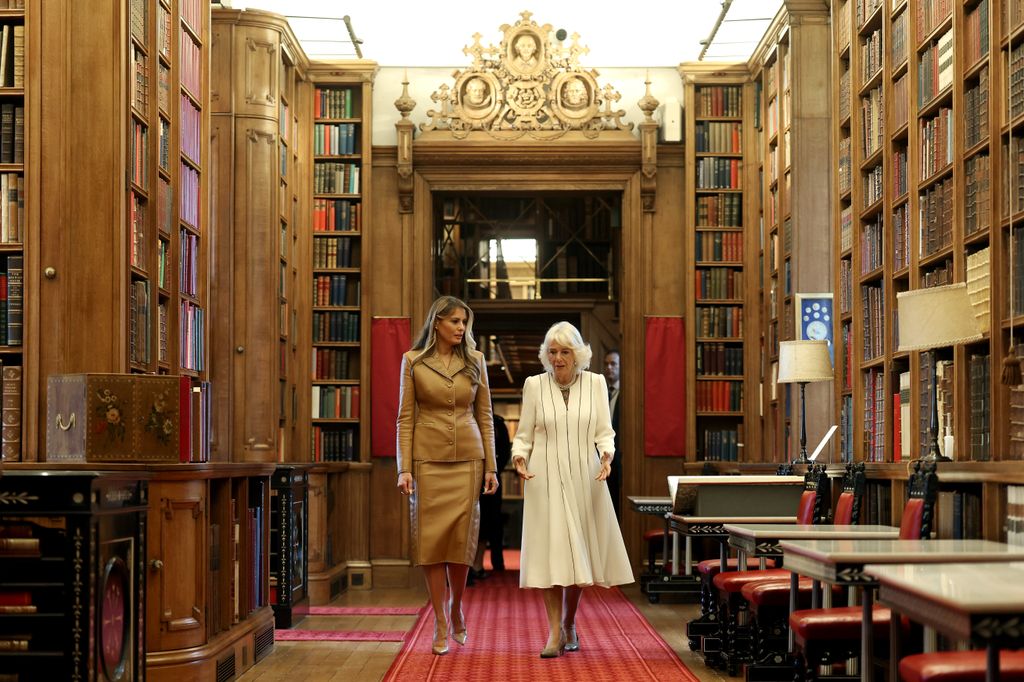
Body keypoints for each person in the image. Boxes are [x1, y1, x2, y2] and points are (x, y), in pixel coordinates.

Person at [511, 321, 633, 658]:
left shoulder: (595, 384)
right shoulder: (534, 385)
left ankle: (569, 622)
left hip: (584, 474)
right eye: (552, 352)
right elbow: (523, 435)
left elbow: (603, 431)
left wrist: (606, 456)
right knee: (550, 553)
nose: (558, 358)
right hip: (544, 476)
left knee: (578, 558)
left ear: (578, 355)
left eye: (565, 352)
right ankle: (553, 632)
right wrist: (520, 458)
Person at [396, 296, 500, 656]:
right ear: (437, 322)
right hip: (427, 462)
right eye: (455, 321)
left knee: (460, 543)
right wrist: (404, 467)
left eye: (464, 322)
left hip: (468, 460)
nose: (461, 328)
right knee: (430, 544)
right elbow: (404, 417)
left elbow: (485, 416)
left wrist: (491, 465)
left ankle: (456, 606)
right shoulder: (412, 362)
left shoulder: (476, 361)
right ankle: (440, 618)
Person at [470, 412, 512, 581]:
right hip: (469, 477)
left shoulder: (498, 423)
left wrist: (494, 470)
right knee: (469, 525)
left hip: (491, 479)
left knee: (489, 524)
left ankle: (481, 565)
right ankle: (468, 568)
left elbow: (504, 451)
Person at [603, 349, 622, 519]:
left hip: (620, 459)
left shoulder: (626, 394)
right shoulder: (601, 392)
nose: (610, 368)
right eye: (607, 364)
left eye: (614, 364)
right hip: (601, 456)